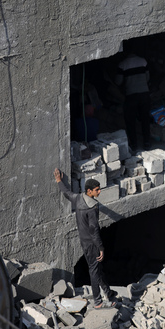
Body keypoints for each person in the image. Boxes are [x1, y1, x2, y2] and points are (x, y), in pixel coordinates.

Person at [53, 169, 117, 309]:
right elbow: (94, 230)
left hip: (84, 241)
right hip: (92, 244)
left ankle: (108, 292)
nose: (99, 192)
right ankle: (98, 302)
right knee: (94, 270)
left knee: (97, 268)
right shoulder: (92, 207)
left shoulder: (78, 198)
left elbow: (66, 193)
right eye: (97, 190)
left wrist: (59, 180)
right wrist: (101, 248)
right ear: (89, 191)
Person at [115, 43, 152, 151]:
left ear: (124, 52)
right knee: (145, 119)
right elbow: (147, 78)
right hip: (145, 94)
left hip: (131, 96)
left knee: (130, 121)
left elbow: (118, 81)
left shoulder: (122, 65)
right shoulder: (143, 61)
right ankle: (147, 143)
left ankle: (134, 145)